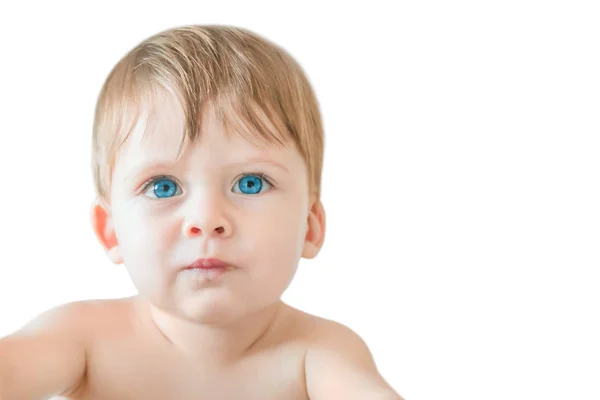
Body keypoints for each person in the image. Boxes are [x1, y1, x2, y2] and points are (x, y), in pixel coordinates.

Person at [0, 24, 402, 399]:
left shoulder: (317, 353)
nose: (207, 219)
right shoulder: (83, 339)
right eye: (163, 187)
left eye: (251, 183)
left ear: (310, 228)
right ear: (112, 232)